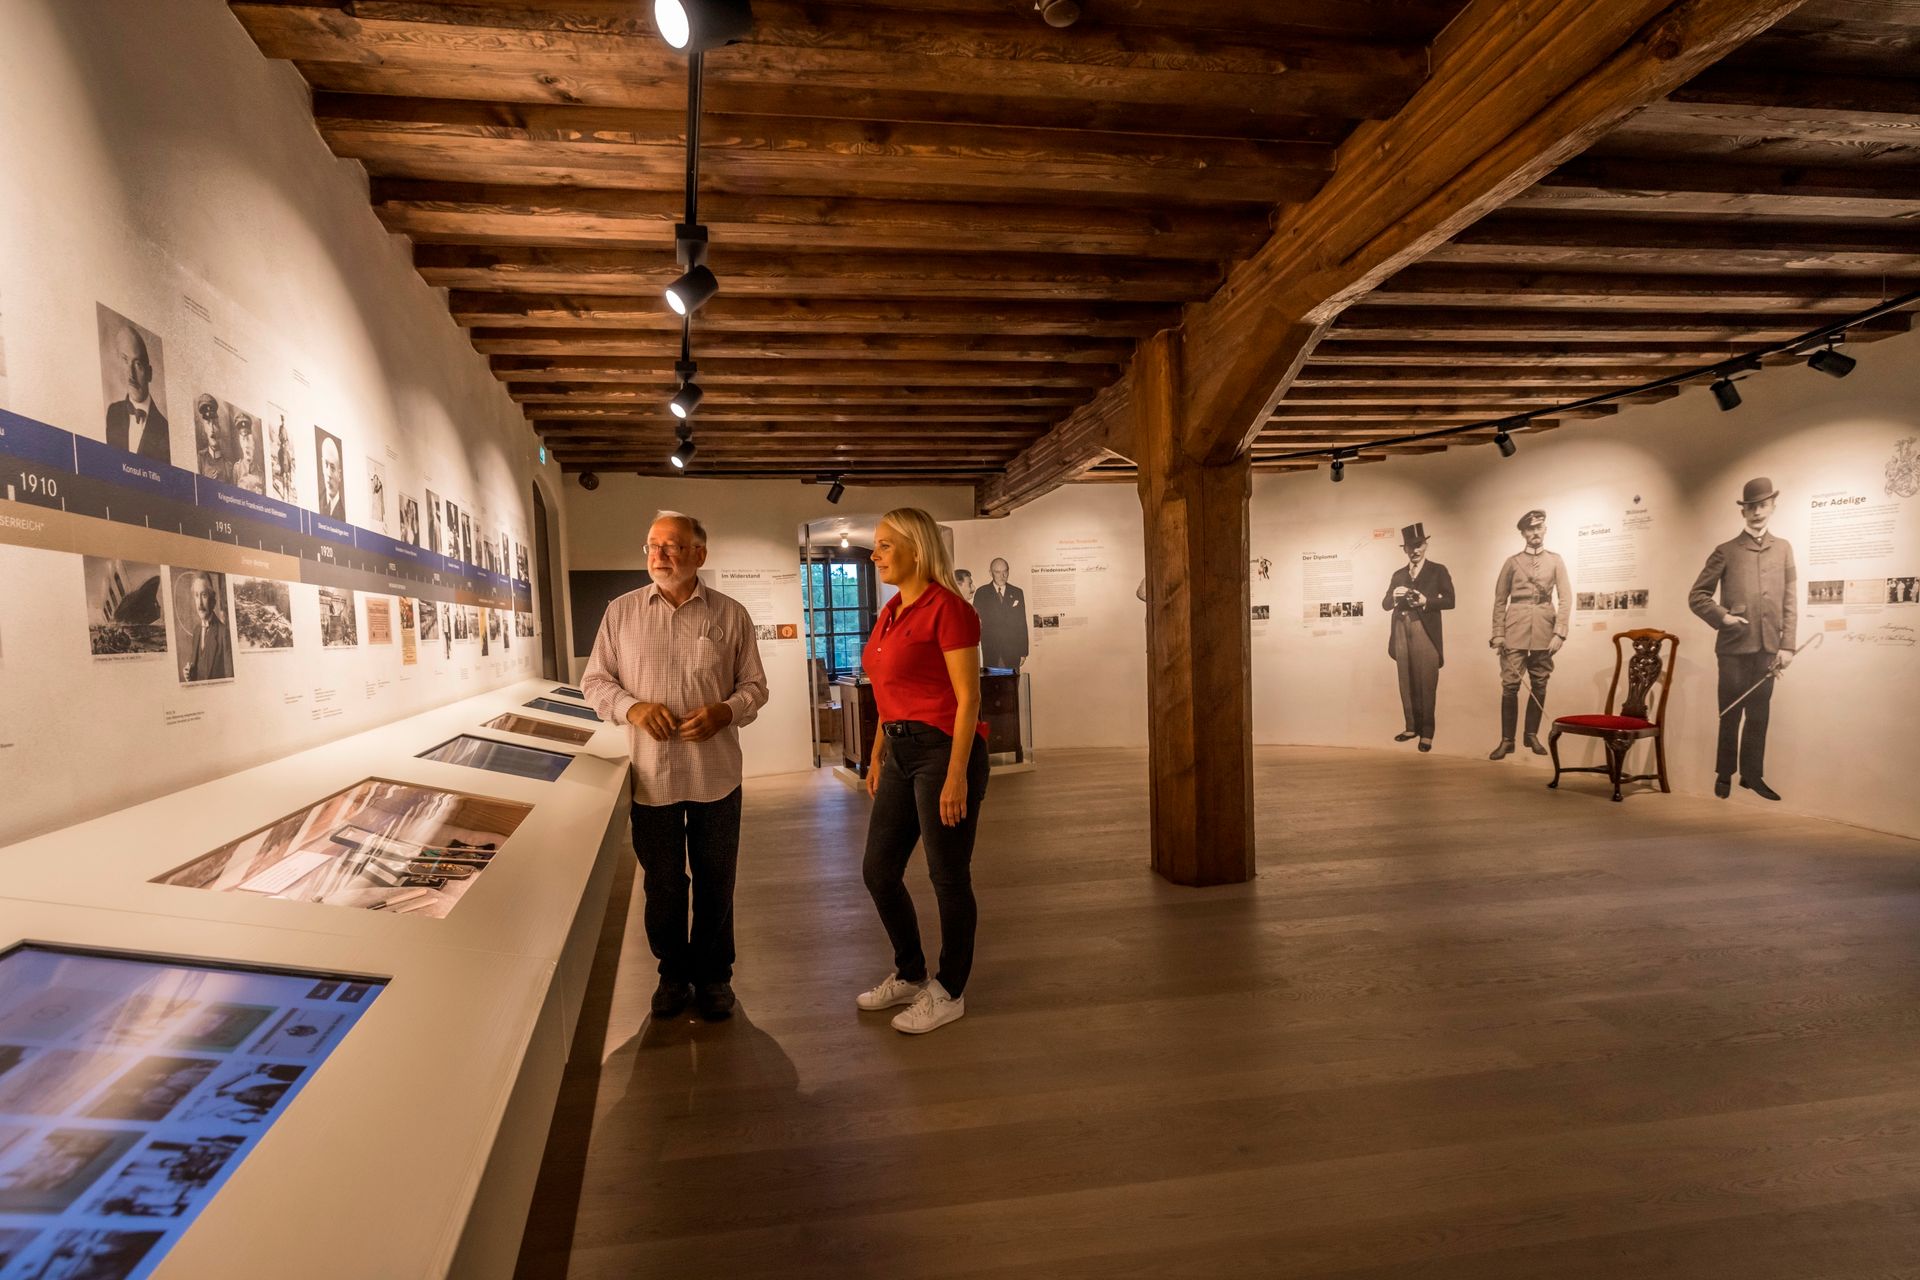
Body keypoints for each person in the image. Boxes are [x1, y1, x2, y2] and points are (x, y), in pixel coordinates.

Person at [582, 511, 769, 1021]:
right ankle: (672, 974)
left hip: (716, 776)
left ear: (699, 554)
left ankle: (714, 976)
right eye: (652, 545)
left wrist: (725, 711)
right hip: (651, 777)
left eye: (671, 546)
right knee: (663, 884)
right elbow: (595, 682)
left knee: (716, 880)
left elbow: (755, 686)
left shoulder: (731, 614)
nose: (659, 555)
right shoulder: (620, 612)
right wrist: (632, 708)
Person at [856, 508, 990, 1035]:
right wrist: (876, 752)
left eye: (885, 545)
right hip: (900, 752)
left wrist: (957, 775)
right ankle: (911, 973)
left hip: (943, 752)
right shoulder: (891, 612)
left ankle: (950, 989)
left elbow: (969, 698)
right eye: (876, 545)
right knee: (878, 870)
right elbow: (887, 692)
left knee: (947, 876)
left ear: (917, 548)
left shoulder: (950, 609)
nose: (875, 555)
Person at [1690, 477, 1797, 802]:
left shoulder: (1784, 548)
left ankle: (1752, 776)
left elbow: (1790, 600)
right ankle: (1724, 773)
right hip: (1733, 649)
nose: (1757, 512)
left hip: (1768, 648)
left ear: (1772, 506)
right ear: (1743, 512)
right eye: (1751, 507)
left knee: (1759, 714)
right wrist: (1722, 617)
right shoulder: (1725, 551)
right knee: (1731, 711)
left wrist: (1787, 645)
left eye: (1763, 505)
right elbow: (1697, 596)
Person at [1488, 509, 1571, 759]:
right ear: (1523, 533)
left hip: (1545, 630)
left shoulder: (1555, 561)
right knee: (1510, 686)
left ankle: (1531, 735)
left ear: (1545, 530)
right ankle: (1507, 741)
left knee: (1540, 683)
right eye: (1530, 529)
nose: (1535, 532)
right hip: (1514, 630)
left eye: (1538, 527)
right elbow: (1500, 600)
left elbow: (1565, 598)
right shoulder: (1512, 562)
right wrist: (1498, 634)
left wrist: (1559, 633)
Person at [1382, 522, 1454, 752]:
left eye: (1419, 545)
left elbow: (1450, 600)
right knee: (1405, 679)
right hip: (1400, 628)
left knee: (1426, 682)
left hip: (1425, 629)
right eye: (1410, 547)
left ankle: (1427, 733)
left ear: (1426, 545)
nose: (1415, 550)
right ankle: (1411, 727)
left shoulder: (1437, 570)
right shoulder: (1398, 574)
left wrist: (1426, 601)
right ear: (1404, 549)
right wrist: (1394, 597)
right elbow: (1385, 604)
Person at [104, 322, 170, 462]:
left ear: (149, 373)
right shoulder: (113, 413)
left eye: (138, 364)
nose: (131, 374)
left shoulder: (165, 430)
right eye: (125, 360)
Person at [178, 572, 233, 683]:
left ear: (212, 599)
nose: (200, 604)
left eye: (204, 595)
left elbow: (230, 681)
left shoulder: (224, 633)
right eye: (196, 596)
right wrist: (189, 675)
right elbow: (197, 672)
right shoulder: (197, 631)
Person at [975, 557, 1028, 671]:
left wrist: (1023, 652)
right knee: (993, 681)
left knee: (1012, 681)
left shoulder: (1017, 592)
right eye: (997, 572)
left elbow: (1022, 623)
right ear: (991, 573)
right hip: (991, 650)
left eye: (1005, 571)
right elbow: (976, 624)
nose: (1002, 576)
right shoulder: (981, 593)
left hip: (1012, 651)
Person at [193, 395, 233, 485]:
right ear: (204, 429)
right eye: (208, 423)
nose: (212, 429)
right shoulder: (200, 459)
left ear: (219, 428)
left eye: (215, 423)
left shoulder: (228, 465)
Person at [231, 411, 264, 493]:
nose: (246, 445)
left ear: (254, 443)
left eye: (248, 439)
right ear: (240, 443)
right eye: (243, 439)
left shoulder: (260, 472)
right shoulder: (237, 469)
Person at [317, 431, 345, 519]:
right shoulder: (318, 502)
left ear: (340, 475)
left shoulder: (343, 515)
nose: (329, 474)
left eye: (332, 468)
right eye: (326, 465)